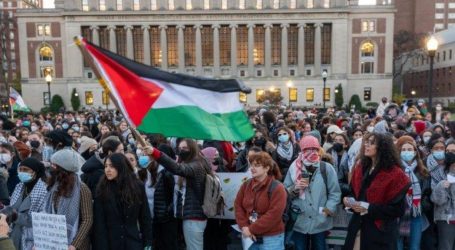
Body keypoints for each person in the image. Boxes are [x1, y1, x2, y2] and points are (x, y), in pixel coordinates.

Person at [343, 133, 411, 250]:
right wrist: (347, 200)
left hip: (380, 232)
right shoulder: (361, 168)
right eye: (366, 142)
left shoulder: (395, 174)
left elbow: (398, 210)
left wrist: (368, 208)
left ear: (382, 147)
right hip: (357, 227)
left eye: (371, 143)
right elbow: (353, 193)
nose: (366, 145)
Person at [145, 138, 211, 250]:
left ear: (192, 149)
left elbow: (177, 168)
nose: (181, 151)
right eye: (179, 148)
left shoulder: (197, 165)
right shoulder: (194, 163)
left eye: (185, 148)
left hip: (194, 217)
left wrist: (155, 153)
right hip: (190, 215)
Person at [284, 136, 341, 250]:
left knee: (319, 247)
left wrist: (327, 210)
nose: (312, 152)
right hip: (300, 219)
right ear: (302, 151)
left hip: (320, 220)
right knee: (300, 247)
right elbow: (284, 192)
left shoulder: (326, 168)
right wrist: (295, 188)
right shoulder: (294, 167)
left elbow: (335, 192)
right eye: (307, 149)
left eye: (315, 149)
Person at [94, 153, 153, 250]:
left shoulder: (137, 186)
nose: (107, 170)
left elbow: (145, 217)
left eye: (112, 166)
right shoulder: (102, 189)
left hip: (133, 242)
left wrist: (148, 243)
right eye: (106, 166)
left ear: (121, 167)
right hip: (111, 243)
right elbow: (99, 224)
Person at [235, 151, 287, 250]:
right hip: (249, 237)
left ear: (267, 168)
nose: (252, 168)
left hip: (271, 238)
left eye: (257, 165)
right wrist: (244, 227)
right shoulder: (246, 185)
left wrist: (251, 229)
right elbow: (238, 206)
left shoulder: (277, 187)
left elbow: (274, 214)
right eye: (251, 165)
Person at [42, 148, 92, 250]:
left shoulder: (82, 189)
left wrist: (74, 244)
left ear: (63, 169)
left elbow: (87, 220)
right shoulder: (54, 186)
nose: (51, 168)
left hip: (76, 245)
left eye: (54, 165)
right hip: (55, 242)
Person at [138, 145, 178, 250]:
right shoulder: (142, 173)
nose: (143, 157)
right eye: (142, 154)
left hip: (164, 220)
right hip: (149, 220)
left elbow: (173, 196)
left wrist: (167, 212)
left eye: (146, 154)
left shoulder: (165, 173)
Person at [1, 157, 47, 250]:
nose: (22, 172)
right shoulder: (20, 186)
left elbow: (40, 219)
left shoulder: (44, 191)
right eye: (20, 169)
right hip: (13, 232)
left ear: (35, 172)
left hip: (31, 238)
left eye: (26, 170)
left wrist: (16, 216)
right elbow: (12, 206)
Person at [395, 136, 431, 250]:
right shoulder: (395, 169)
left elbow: (427, 191)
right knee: (397, 245)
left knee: (415, 246)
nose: (407, 152)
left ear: (415, 152)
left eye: (410, 149)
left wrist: (423, 205)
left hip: (417, 212)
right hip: (399, 212)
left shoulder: (422, 170)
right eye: (404, 150)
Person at [430, 142, 455, 250]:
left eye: (453, 151)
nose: (451, 154)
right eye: (448, 151)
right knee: (446, 246)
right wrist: (441, 186)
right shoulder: (436, 172)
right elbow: (437, 200)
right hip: (445, 216)